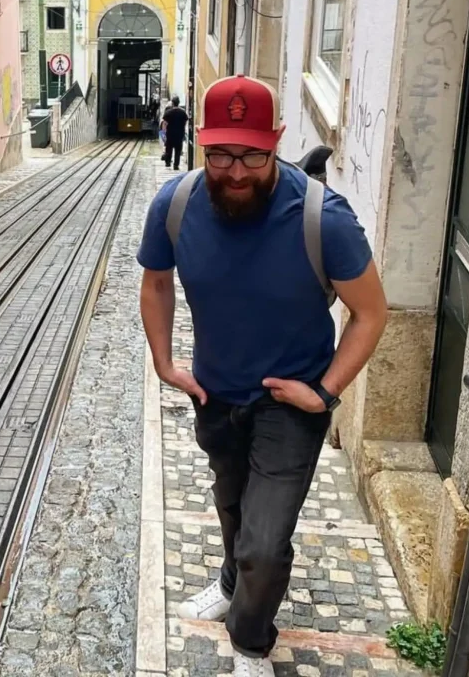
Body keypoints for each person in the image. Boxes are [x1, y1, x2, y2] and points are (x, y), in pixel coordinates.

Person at [137, 75, 387, 677]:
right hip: (216, 393)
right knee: (231, 507)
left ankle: (250, 640)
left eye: (252, 154)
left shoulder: (323, 221)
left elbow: (372, 312)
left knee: (265, 543)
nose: (237, 170)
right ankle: (229, 582)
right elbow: (156, 282)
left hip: (291, 404)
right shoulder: (174, 206)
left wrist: (324, 391)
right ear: (201, 144)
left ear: (275, 143)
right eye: (221, 153)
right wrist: (165, 362)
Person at [161, 96, 189, 170]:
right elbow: (185, 122)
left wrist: (164, 132)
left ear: (172, 103)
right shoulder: (183, 112)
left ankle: (168, 163)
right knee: (178, 150)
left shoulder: (168, 112)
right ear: (178, 103)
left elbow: (164, 123)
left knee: (169, 149)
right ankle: (176, 165)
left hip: (170, 134)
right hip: (179, 134)